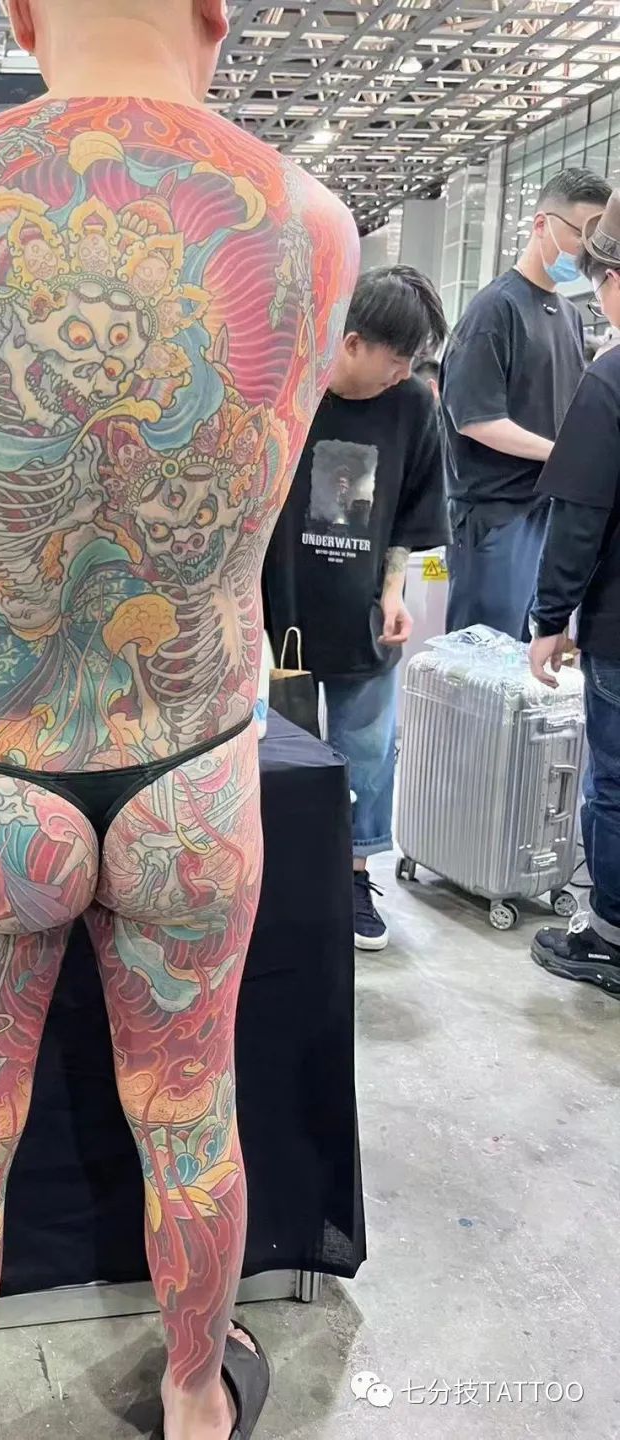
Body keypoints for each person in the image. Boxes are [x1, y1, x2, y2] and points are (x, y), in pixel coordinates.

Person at [0, 2, 360, 1438]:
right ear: (217, 11)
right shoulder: (312, 226)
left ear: (19, 12)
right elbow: (257, 472)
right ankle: (194, 1400)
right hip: (190, 764)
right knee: (191, 1118)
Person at [265, 267, 449, 952]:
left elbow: (411, 514)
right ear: (351, 342)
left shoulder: (413, 406)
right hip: (276, 611)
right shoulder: (288, 389)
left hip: (362, 614)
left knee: (366, 751)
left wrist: (393, 591)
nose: (403, 372)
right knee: (275, 754)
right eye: (396, 358)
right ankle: (279, 877)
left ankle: (353, 876)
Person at [441, 168, 611, 640]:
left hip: (545, 511)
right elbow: (475, 418)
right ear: (541, 225)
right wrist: (562, 454)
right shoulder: (494, 310)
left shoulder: (569, 317)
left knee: (523, 660)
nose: (588, 252)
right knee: (479, 659)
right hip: (495, 516)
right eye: (581, 235)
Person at [529, 189, 620, 1000]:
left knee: (614, 786)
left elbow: (581, 517)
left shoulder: (612, 377)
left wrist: (549, 618)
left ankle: (610, 938)